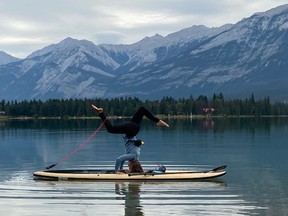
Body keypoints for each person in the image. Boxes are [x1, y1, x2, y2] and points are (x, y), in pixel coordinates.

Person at [91, 104, 169, 174]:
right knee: (111, 129)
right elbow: (119, 159)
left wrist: (121, 169)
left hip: (133, 129)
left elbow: (123, 159)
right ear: (132, 165)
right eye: (129, 166)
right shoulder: (132, 156)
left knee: (142, 109)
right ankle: (101, 113)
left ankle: (158, 121)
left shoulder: (134, 156)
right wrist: (116, 171)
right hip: (132, 129)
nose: (128, 165)